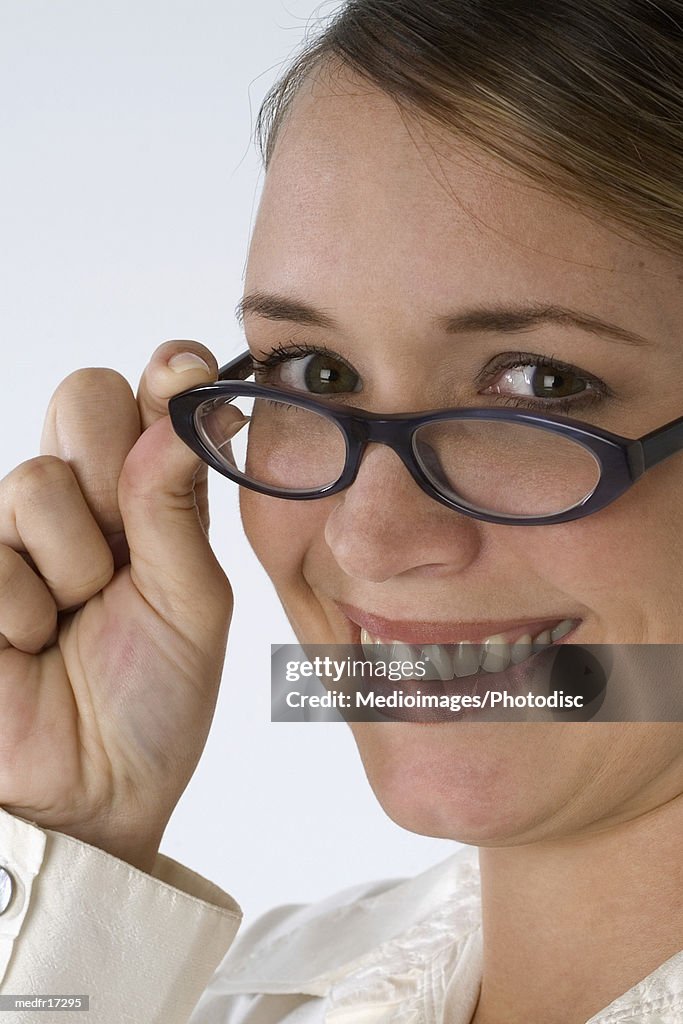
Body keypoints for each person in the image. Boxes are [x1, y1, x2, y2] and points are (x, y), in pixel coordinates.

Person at [0, 1, 681, 1022]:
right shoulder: (203, 993)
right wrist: (70, 845)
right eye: (315, 370)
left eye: (542, 383)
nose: (368, 536)